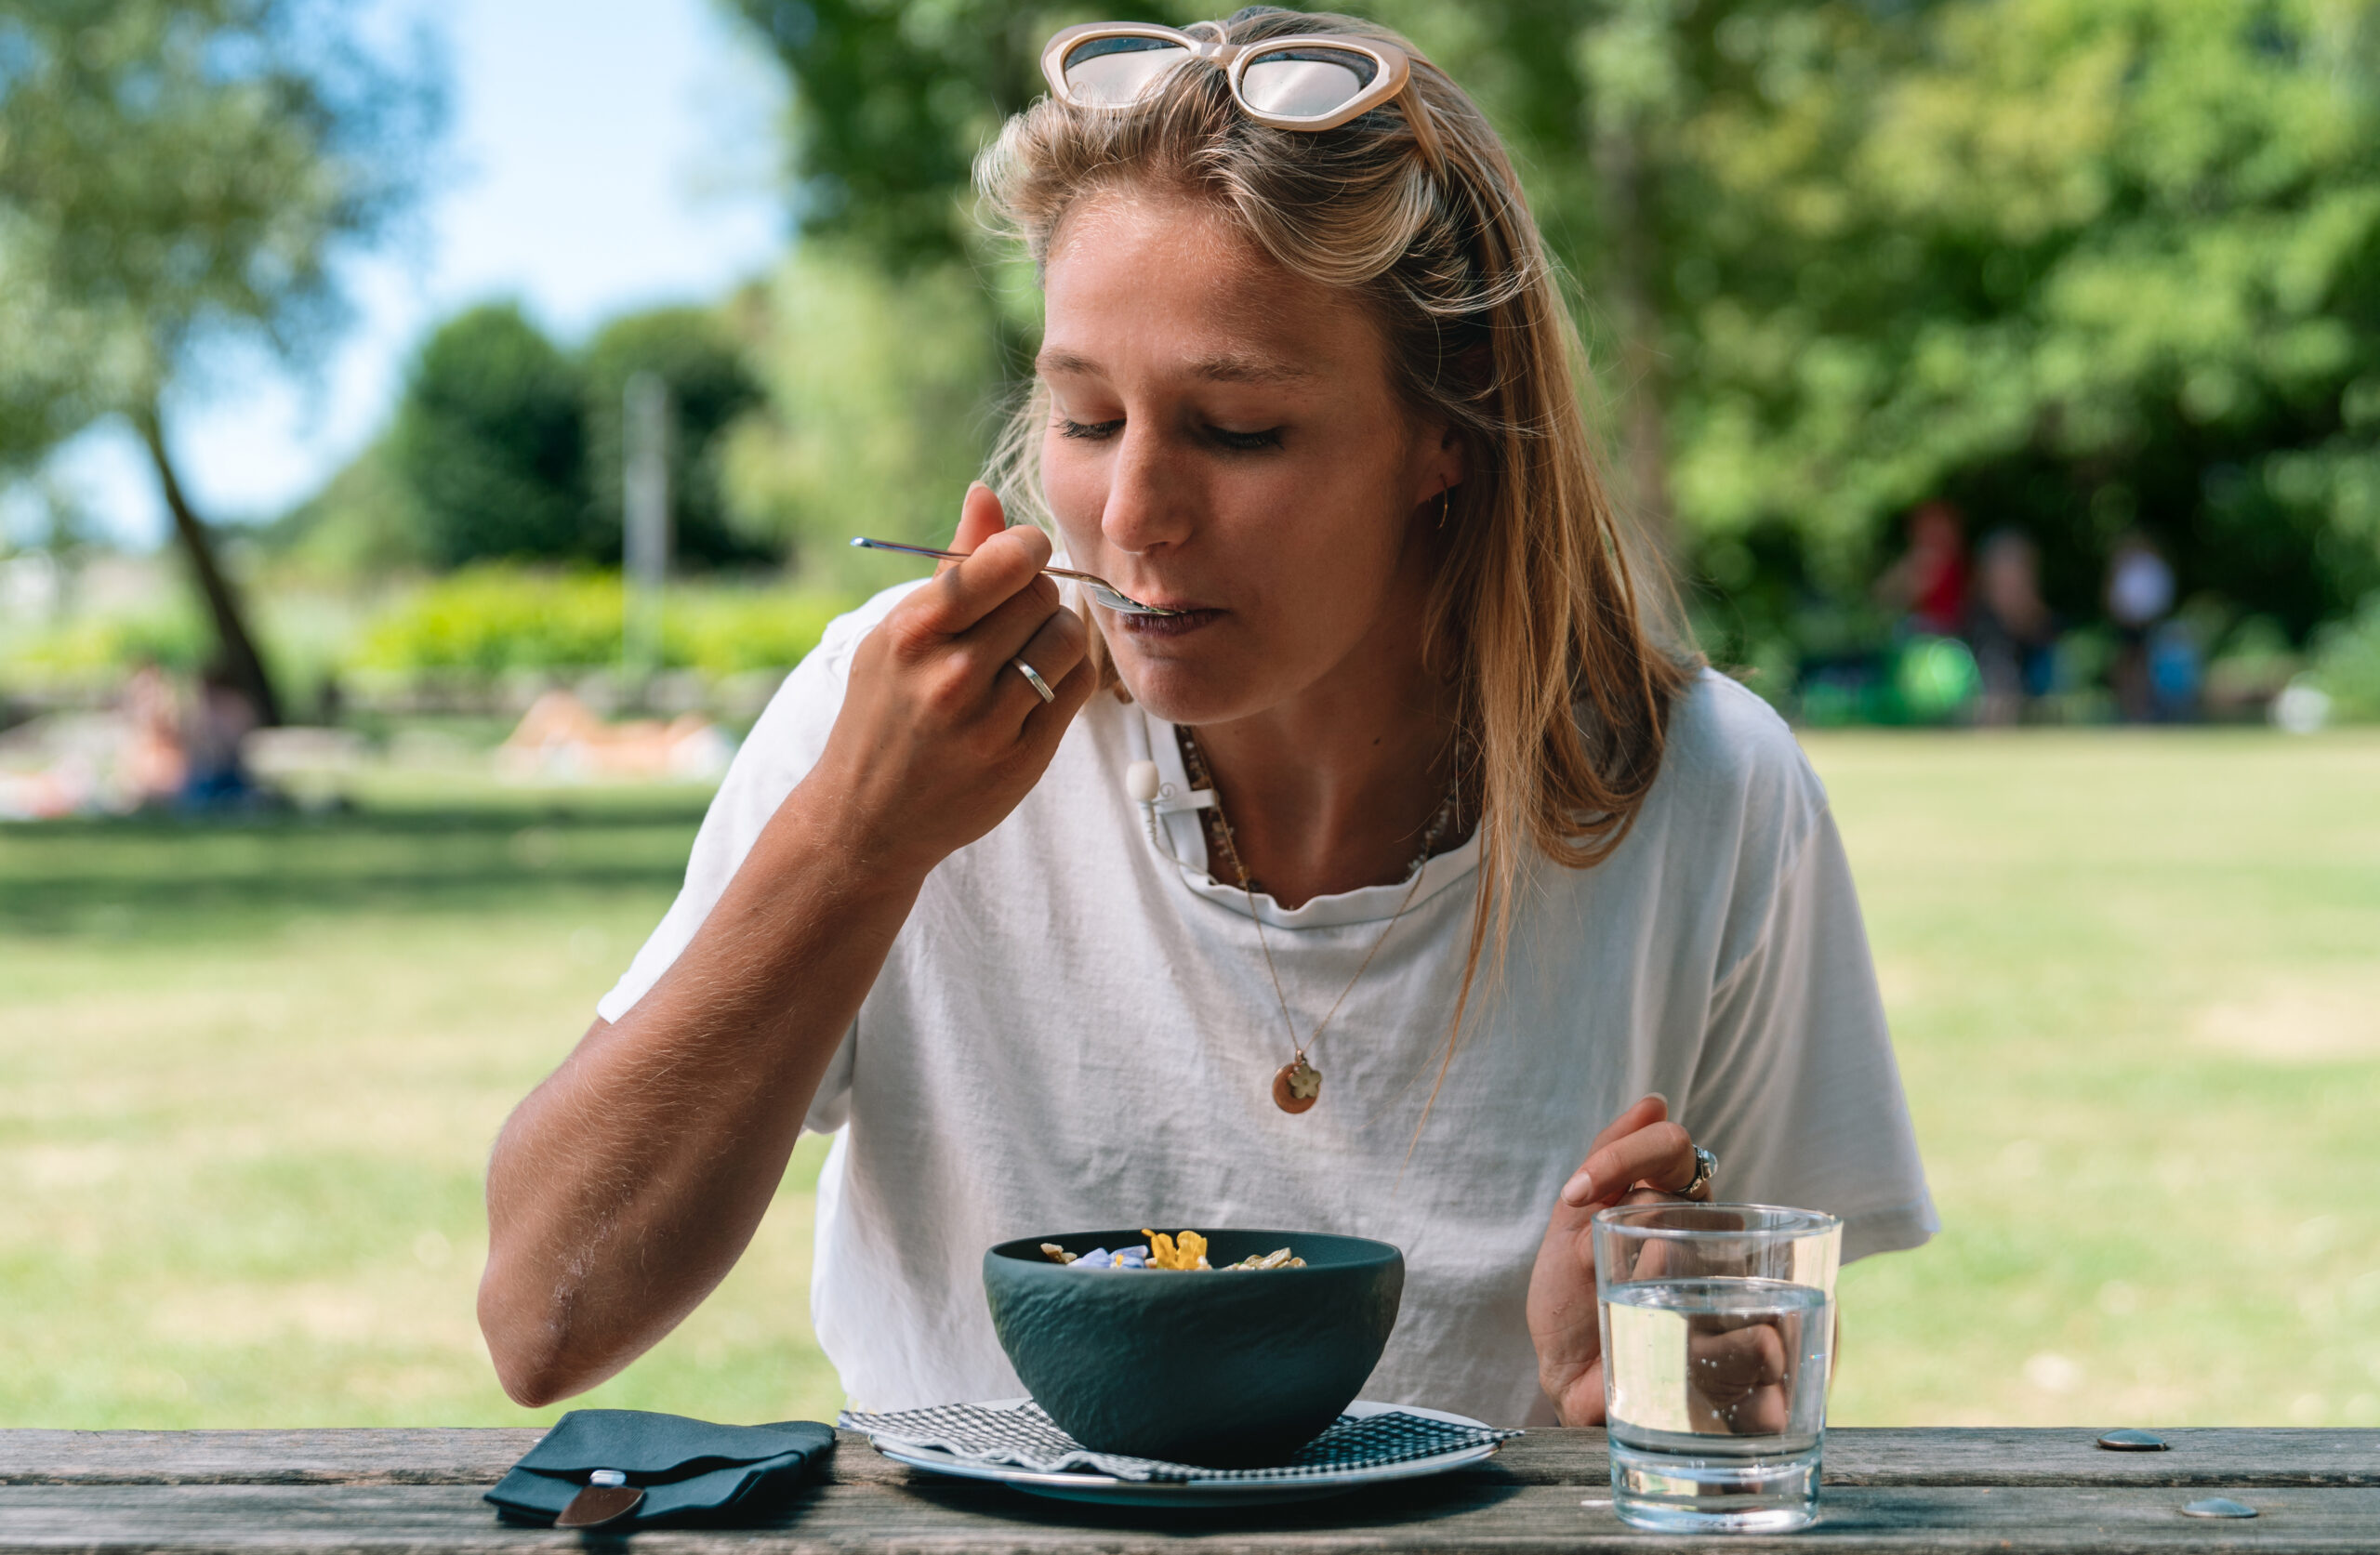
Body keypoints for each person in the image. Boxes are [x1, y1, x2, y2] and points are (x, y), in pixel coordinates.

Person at [478, 7, 1934, 1430]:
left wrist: (1621, 1387)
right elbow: (546, 1316)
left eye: (1240, 429)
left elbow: (1742, 1405)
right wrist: (852, 845)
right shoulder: (902, 719)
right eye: (1086, 417)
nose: (1133, 514)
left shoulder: (1706, 792)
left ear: (1450, 432)